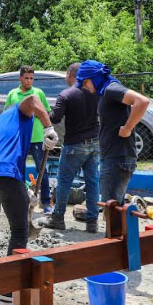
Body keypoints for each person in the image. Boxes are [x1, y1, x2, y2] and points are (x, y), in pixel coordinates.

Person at [0, 95, 58, 302]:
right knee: (20, 230)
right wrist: (48, 127)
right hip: (4, 173)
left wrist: (23, 191)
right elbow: (31, 100)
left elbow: (7, 153)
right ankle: (9, 287)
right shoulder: (18, 112)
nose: (38, 114)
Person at [76, 60, 149, 205]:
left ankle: (113, 229)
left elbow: (142, 101)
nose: (84, 87)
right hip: (114, 157)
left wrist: (128, 128)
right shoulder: (105, 92)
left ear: (93, 78)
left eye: (85, 82)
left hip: (117, 158)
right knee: (115, 208)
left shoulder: (111, 89)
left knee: (111, 209)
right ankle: (116, 228)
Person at [39, 63, 101, 233]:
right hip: (95, 143)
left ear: (69, 75)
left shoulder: (66, 94)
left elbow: (55, 118)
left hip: (74, 145)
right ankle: (92, 222)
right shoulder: (95, 91)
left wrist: (43, 113)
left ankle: (58, 218)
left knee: (64, 182)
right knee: (93, 182)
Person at [4, 66, 53, 214]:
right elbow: (7, 114)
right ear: (20, 78)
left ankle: (46, 202)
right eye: (26, 78)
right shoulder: (13, 94)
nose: (29, 81)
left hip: (37, 138)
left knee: (42, 170)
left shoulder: (38, 93)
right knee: (19, 170)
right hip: (20, 138)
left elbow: (47, 113)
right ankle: (20, 201)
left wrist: (47, 130)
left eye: (31, 78)